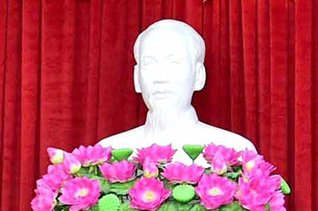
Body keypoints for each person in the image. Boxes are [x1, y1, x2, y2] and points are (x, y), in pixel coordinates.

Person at [99, 19, 256, 157]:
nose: (160, 77)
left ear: (199, 76)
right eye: (149, 63)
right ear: (136, 78)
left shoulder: (235, 151)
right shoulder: (108, 153)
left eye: (174, 62)